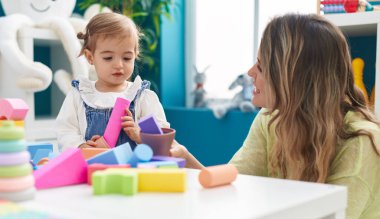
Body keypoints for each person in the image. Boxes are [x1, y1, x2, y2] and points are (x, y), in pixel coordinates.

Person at [170, 14, 380, 218]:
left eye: (261, 66)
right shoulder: (271, 117)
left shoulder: (361, 143)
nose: (250, 72)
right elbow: (233, 186)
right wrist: (186, 159)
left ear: (294, 78)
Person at [56, 12, 169, 151]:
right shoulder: (79, 95)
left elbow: (161, 137)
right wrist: (81, 145)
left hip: (133, 169)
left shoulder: (142, 96)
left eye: (127, 58)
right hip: (93, 168)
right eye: (108, 58)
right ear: (90, 57)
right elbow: (65, 130)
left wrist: (139, 134)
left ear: (135, 56)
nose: (119, 65)